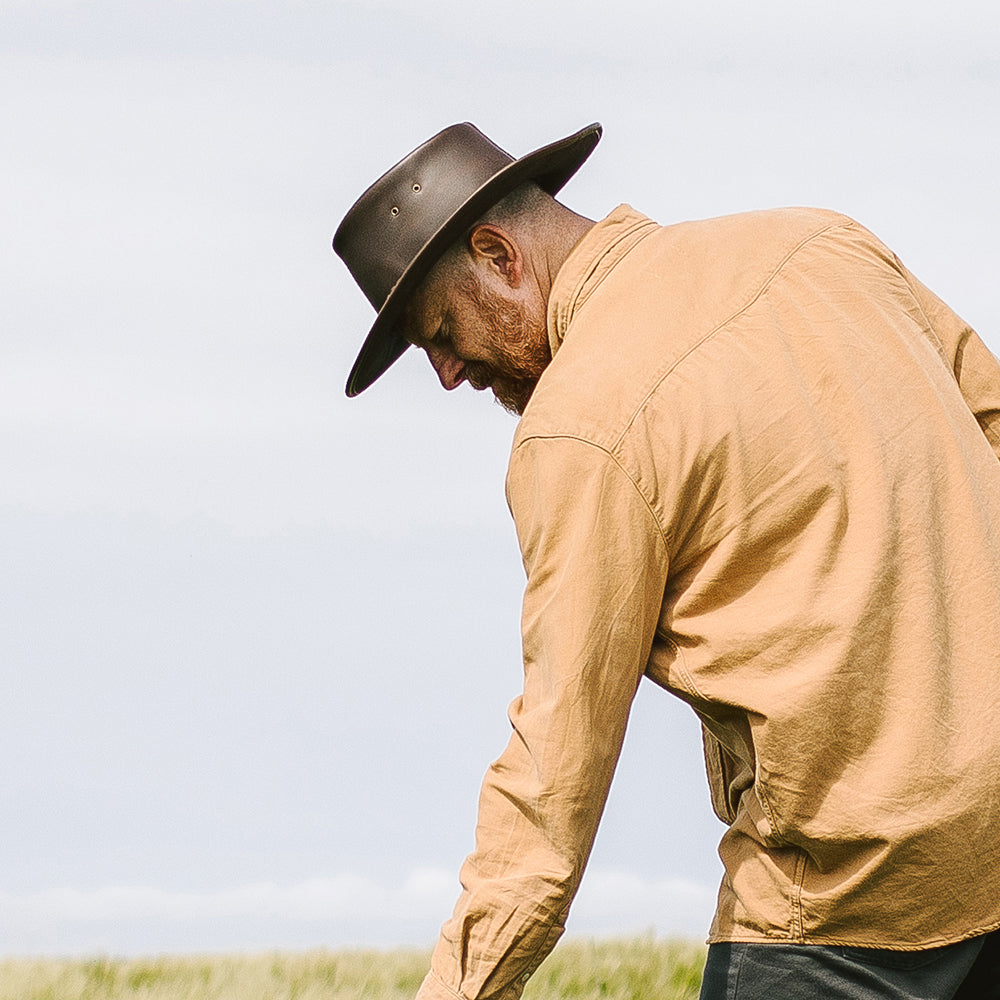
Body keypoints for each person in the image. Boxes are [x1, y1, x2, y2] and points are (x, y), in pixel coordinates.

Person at [333, 122, 1000, 999]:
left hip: (847, 907)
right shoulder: (822, 245)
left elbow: (554, 767)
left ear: (498, 256)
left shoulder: (579, 431)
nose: (449, 375)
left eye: (441, 333)